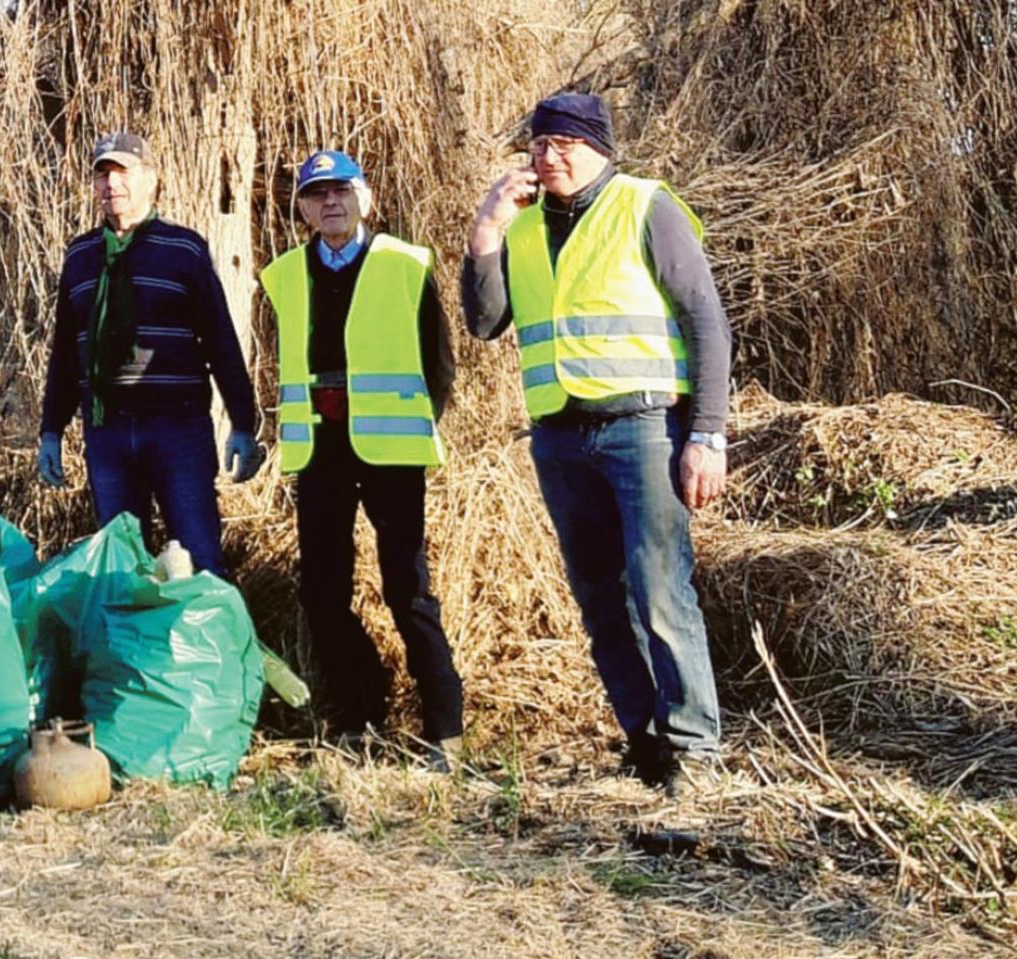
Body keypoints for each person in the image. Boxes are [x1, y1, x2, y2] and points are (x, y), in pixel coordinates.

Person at [462, 92, 731, 794]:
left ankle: (696, 751)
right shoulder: (522, 228)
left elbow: (706, 320)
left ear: (599, 149)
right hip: (560, 437)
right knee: (599, 598)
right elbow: (485, 322)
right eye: (538, 144)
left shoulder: (645, 206)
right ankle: (647, 744)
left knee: (659, 587)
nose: (548, 156)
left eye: (564, 144)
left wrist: (707, 433)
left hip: (643, 428)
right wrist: (487, 231)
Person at [259, 149, 464, 767]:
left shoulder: (404, 264)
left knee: (408, 589)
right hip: (319, 450)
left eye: (341, 191)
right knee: (322, 593)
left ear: (364, 199)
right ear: (302, 208)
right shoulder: (284, 275)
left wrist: (412, 423)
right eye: (316, 194)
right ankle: (362, 714)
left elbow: (439, 365)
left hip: (390, 452)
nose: (330, 203)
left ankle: (444, 728)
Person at [37, 132, 261, 577]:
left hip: (177, 431)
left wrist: (242, 423)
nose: (111, 184)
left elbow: (219, 339)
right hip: (107, 434)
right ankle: (132, 625)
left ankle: (206, 624)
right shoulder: (81, 256)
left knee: (199, 558)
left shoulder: (183, 249)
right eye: (102, 174)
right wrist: (51, 430)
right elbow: (66, 351)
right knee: (122, 565)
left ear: (151, 179)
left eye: (123, 172)